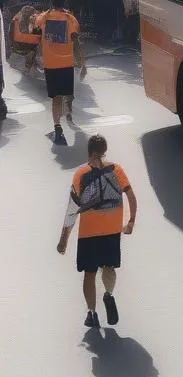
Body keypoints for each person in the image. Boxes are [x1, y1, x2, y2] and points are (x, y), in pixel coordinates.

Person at [57, 134, 138, 328]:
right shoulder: (116, 169)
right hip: (112, 229)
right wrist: (131, 222)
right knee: (109, 267)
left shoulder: (80, 173)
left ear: (89, 151)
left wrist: (63, 240)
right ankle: (108, 294)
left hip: (89, 232)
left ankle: (92, 313)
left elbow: (72, 211)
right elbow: (131, 197)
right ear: (105, 150)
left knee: (90, 273)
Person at [32, 0, 85, 146]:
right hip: (67, 63)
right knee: (66, 94)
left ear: (51, 1)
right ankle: (68, 112)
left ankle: (57, 129)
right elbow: (76, 41)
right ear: (65, 1)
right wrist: (81, 60)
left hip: (51, 64)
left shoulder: (43, 18)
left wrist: (38, 57)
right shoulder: (71, 19)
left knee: (56, 99)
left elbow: (36, 34)